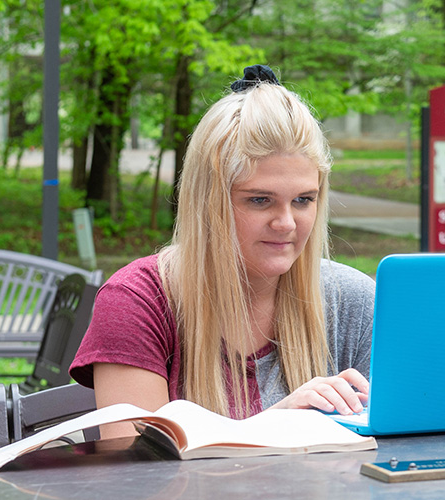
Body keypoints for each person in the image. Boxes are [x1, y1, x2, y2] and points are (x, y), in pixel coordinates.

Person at [69, 65, 375, 438]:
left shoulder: (355, 302)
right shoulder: (138, 302)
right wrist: (278, 424)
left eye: (303, 200)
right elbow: (137, 475)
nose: (287, 223)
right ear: (207, 202)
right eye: (260, 200)